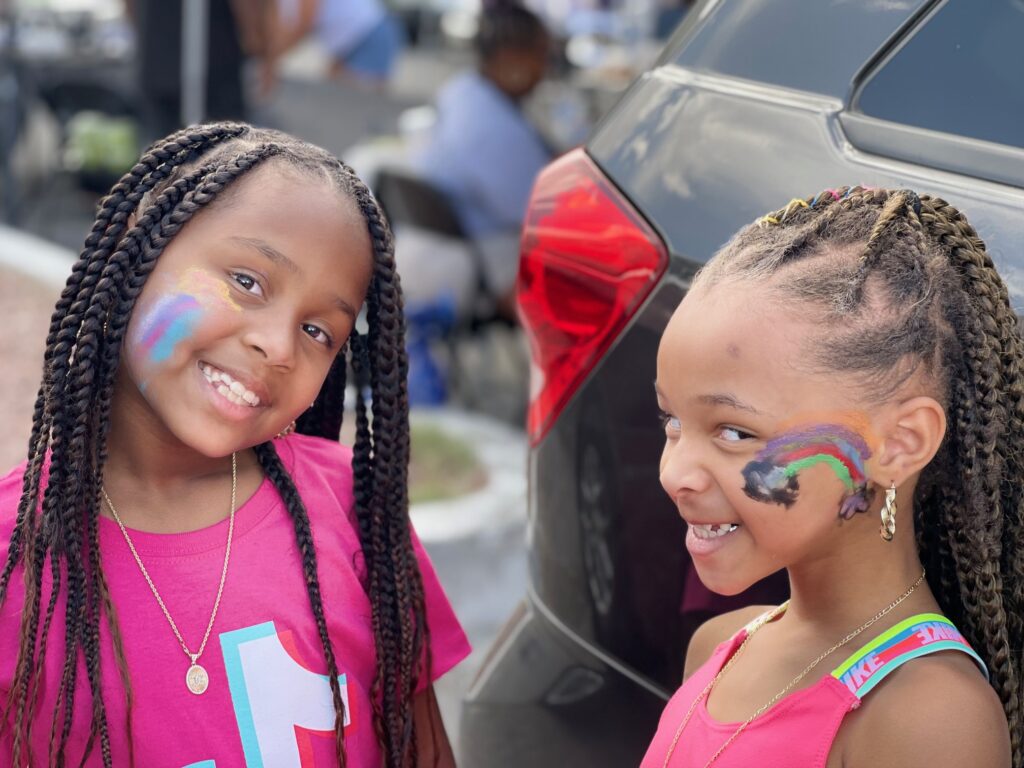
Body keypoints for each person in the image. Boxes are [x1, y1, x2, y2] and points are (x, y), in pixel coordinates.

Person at [0, 122, 470, 767]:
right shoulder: (12, 557)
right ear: (140, 248)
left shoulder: (356, 514)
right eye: (247, 282)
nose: (278, 347)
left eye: (316, 330)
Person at [643, 187, 1019, 767]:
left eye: (735, 432)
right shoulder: (719, 649)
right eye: (672, 419)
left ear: (899, 443)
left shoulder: (925, 721)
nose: (675, 474)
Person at [404, 3, 553, 319]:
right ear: (512, 58)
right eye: (540, 56)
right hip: (485, 257)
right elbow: (538, 213)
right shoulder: (492, 127)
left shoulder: (463, 91)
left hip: (453, 240)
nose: (544, 70)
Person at [261, 0, 405, 92]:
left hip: (369, 34)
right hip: (346, 45)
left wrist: (270, 61)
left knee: (356, 110)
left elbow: (305, 21)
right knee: (333, 100)